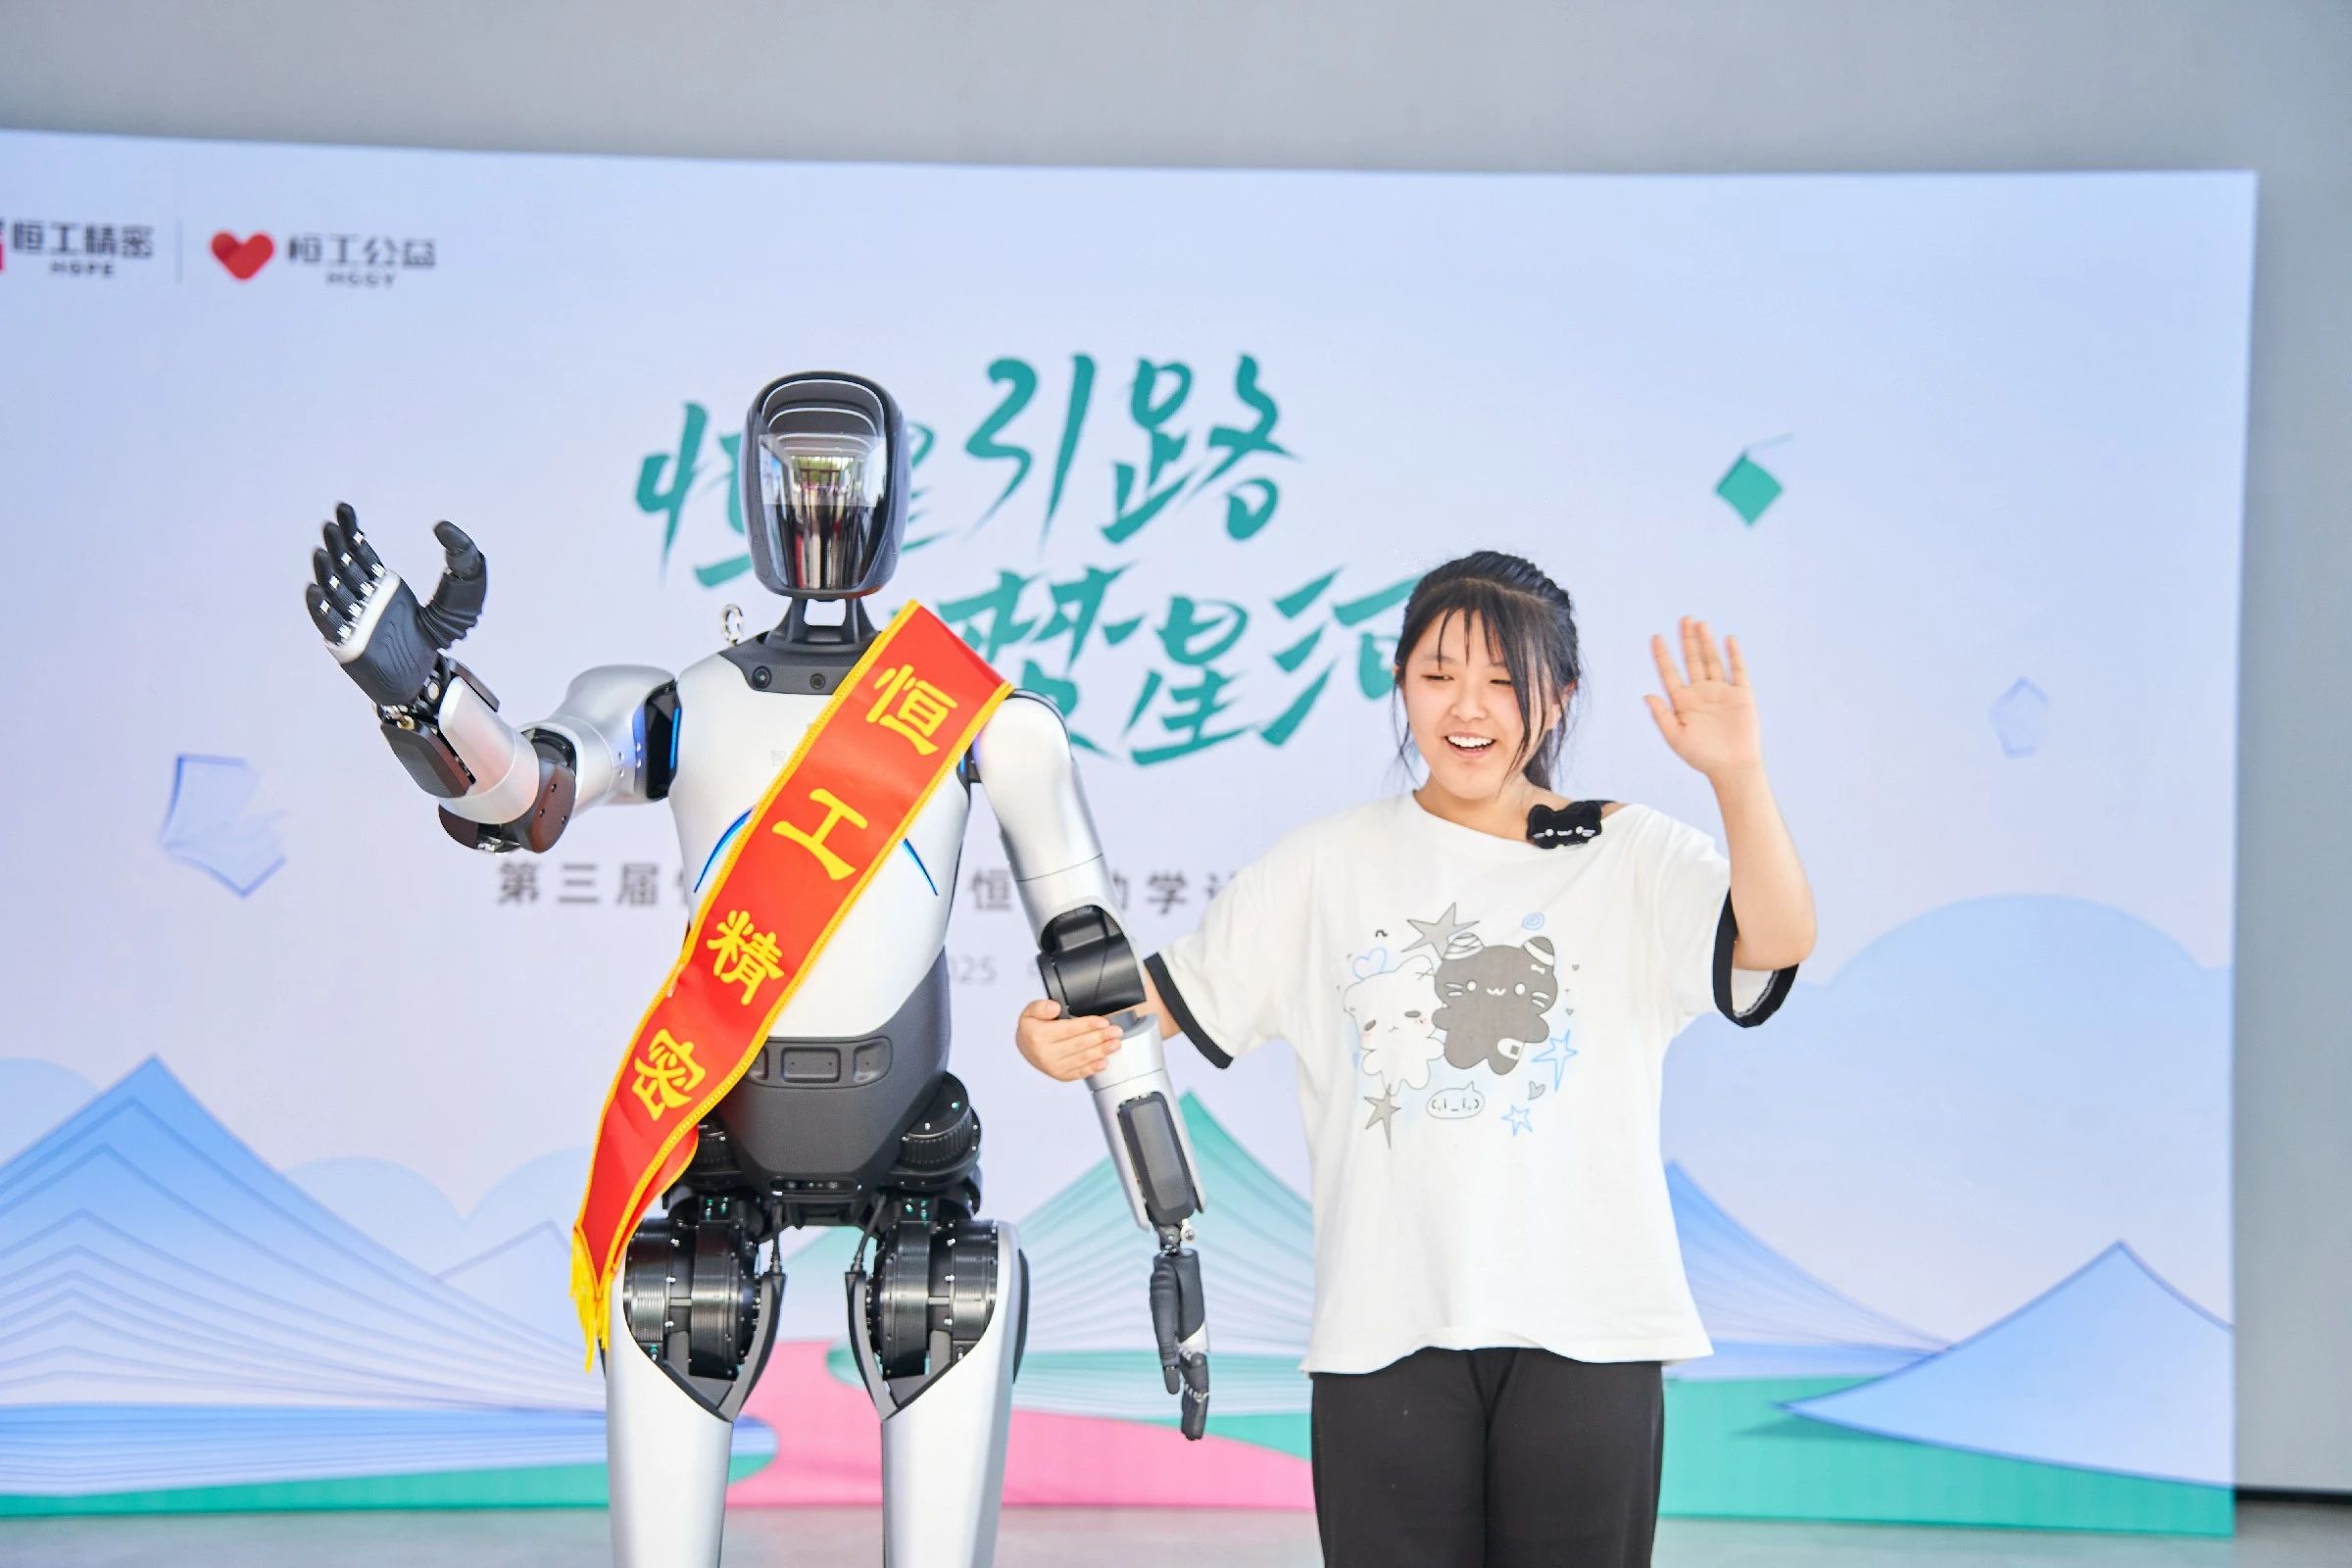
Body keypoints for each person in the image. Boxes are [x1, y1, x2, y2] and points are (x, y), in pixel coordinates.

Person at [1014, 550, 1815, 1567]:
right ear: (1400, 681)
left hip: (1592, 1330)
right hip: (1384, 1334)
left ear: (1560, 697)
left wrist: (1738, 775)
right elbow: (1152, 1005)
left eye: (1504, 680)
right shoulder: (1322, 865)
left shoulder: (1630, 854)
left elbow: (1776, 941)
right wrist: (1048, 1032)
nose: (1467, 707)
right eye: (1439, 674)